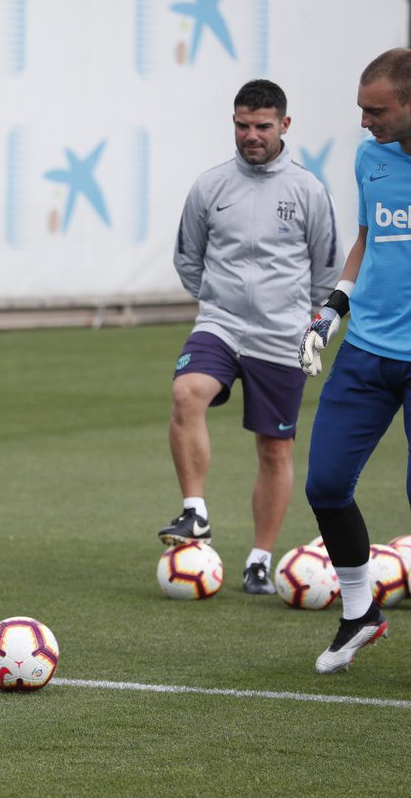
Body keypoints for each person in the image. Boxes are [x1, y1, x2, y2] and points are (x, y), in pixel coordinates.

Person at [159, 79, 338, 595]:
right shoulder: (209, 186)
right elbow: (187, 258)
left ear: (285, 125)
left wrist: (313, 328)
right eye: (242, 125)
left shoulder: (308, 190)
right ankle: (195, 512)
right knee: (185, 392)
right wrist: (217, 301)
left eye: (262, 126)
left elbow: (326, 273)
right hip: (219, 324)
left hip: (282, 335)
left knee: (274, 450)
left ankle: (260, 558)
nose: (251, 135)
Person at [299, 48, 411, 674]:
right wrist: (332, 310)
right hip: (367, 350)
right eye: (362, 110)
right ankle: (361, 612)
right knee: (325, 483)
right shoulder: (370, 157)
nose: (365, 122)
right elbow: (369, 239)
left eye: (377, 110)